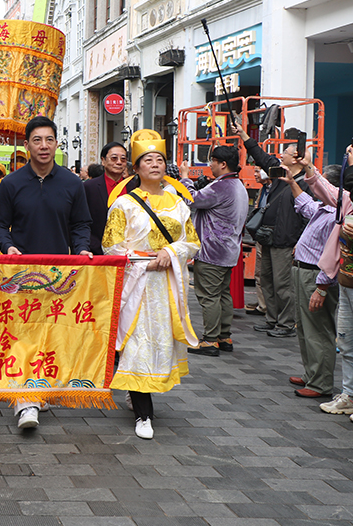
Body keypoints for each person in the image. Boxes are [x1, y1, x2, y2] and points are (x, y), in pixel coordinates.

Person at [0, 115, 93, 429]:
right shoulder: (10, 184)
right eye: (37, 140)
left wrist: (82, 249)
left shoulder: (72, 184)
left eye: (49, 140)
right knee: (23, 335)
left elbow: (81, 224)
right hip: (21, 276)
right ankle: (26, 402)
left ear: (56, 144)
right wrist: (8, 246)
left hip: (59, 277)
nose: (44, 146)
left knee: (50, 334)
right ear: (27, 145)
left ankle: (40, 386)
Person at [102, 129, 201, 439]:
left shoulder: (178, 203)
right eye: (148, 160)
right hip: (138, 284)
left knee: (159, 344)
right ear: (136, 168)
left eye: (160, 159)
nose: (155, 164)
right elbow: (111, 245)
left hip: (167, 286)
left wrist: (170, 253)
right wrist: (144, 258)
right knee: (136, 345)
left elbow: (192, 242)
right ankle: (144, 415)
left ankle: (142, 397)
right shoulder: (124, 205)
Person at [233, 122, 307, 338]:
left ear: (296, 158)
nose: (280, 154)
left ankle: (285, 324)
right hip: (268, 236)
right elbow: (261, 156)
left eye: (285, 152)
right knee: (267, 280)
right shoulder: (279, 173)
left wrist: (298, 243)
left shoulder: (304, 182)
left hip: (286, 240)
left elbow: (307, 217)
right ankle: (272, 319)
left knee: (283, 285)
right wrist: (244, 135)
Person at [282, 163, 343, 398]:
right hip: (303, 271)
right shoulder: (324, 207)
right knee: (305, 326)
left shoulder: (338, 214)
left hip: (315, 276)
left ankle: (321, 382)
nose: (315, 189)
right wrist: (292, 183)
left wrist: (322, 286)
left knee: (319, 329)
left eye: (320, 184)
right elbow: (306, 206)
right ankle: (312, 374)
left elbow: (334, 257)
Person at [301, 146, 353, 416]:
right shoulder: (347, 199)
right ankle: (349, 394)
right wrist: (308, 169)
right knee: (346, 341)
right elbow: (328, 192)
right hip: (346, 279)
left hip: (341, 279)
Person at [185, 145, 249, 357]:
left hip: (212, 251)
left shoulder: (220, 187)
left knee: (208, 296)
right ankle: (224, 336)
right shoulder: (238, 185)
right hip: (229, 250)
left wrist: (185, 179)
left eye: (212, 161)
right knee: (223, 294)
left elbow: (190, 199)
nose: (209, 165)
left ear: (223, 164)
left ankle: (210, 340)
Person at [84, 143, 129, 255]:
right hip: (96, 252)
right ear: (103, 161)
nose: (119, 162)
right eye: (114, 158)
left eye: (123, 159)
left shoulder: (134, 187)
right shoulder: (89, 187)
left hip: (128, 254)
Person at [246, 170, 271, 316]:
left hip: (270, 236)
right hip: (261, 235)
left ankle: (266, 305)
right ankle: (263, 303)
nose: (254, 174)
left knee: (267, 273)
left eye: (257, 171)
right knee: (259, 272)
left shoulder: (274, 190)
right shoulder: (263, 190)